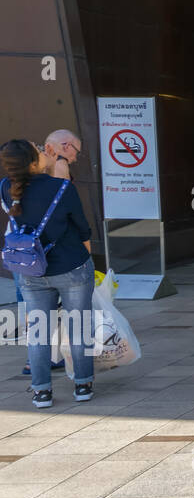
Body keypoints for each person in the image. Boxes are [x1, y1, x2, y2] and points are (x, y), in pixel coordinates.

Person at [0, 140, 95, 408]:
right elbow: (83, 228)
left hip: (30, 270)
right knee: (78, 328)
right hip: (71, 266)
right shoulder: (61, 187)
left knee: (39, 331)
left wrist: (47, 164)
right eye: (40, 151)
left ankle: (42, 391)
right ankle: (82, 385)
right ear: (33, 162)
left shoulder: (5, 188)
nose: (46, 153)